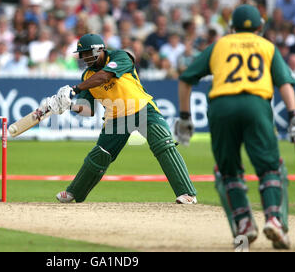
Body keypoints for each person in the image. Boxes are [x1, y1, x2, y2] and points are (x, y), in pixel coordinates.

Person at [176, 5, 295, 249]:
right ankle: (274, 220)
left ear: (231, 27)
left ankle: (244, 223)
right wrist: (294, 115)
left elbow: (186, 79)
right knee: (270, 168)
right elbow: (285, 84)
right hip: (255, 105)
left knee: (228, 171)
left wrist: (185, 117)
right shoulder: (267, 46)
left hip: (221, 106)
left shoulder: (220, 45)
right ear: (260, 27)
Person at [40, 33, 197, 204]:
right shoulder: (86, 77)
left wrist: (74, 90)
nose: (84, 58)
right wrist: (68, 106)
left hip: (142, 108)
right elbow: (88, 110)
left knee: (163, 145)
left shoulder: (121, 56)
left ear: (99, 50)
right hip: (116, 119)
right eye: (82, 54)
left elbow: (105, 76)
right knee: (99, 155)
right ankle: (74, 193)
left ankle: (187, 193)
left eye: (87, 53)